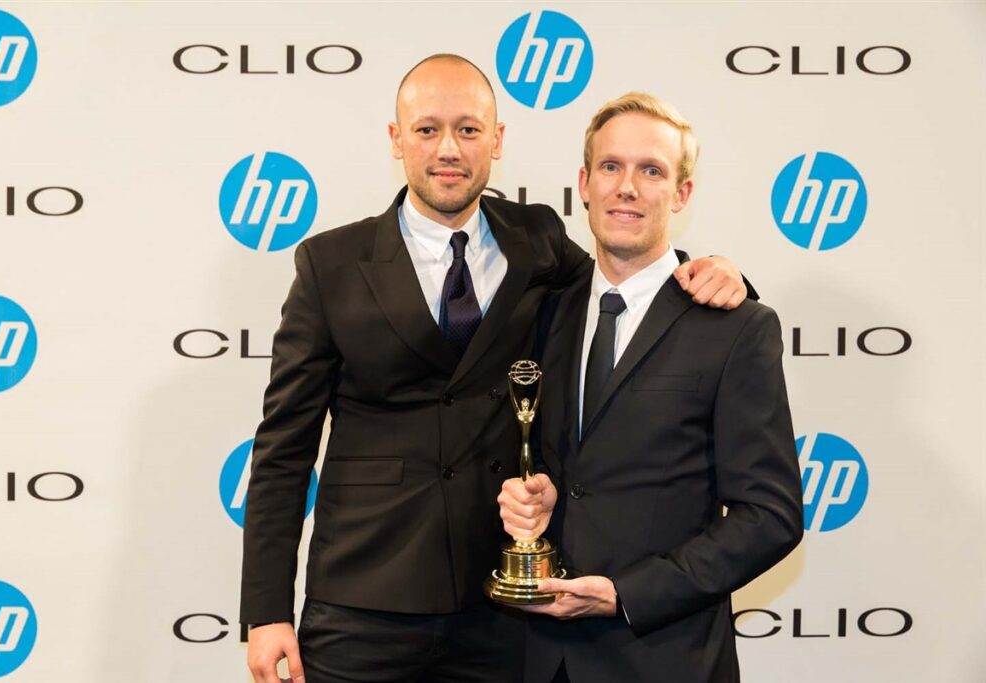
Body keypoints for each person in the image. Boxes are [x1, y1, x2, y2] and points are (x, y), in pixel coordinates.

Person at [241, 56, 749, 683]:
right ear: (396, 139)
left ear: (497, 140)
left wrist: (718, 273)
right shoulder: (331, 264)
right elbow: (284, 450)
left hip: (503, 608)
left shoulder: (537, 239)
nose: (448, 150)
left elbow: (628, 286)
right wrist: (266, 610)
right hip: (363, 604)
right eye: (427, 130)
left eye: (469, 130)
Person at [497, 92, 805, 683]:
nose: (627, 188)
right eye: (611, 166)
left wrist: (628, 594)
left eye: (652, 171)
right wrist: (532, 498)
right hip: (540, 658)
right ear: (584, 184)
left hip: (667, 658)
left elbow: (770, 516)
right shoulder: (542, 314)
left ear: (681, 194)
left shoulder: (735, 327)